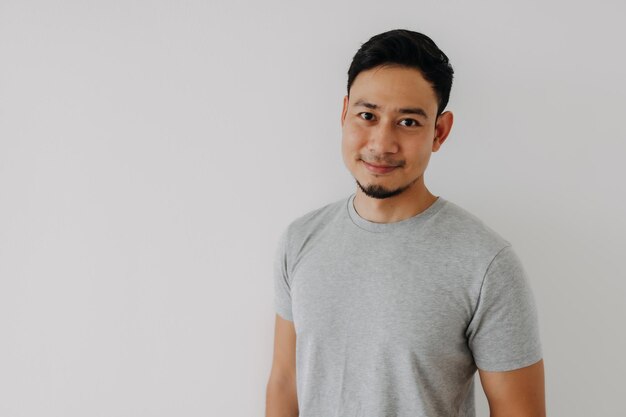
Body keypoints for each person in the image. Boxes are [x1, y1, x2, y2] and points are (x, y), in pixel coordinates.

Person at [265, 29, 545, 417]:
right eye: (367, 115)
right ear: (344, 113)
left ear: (440, 131)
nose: (381, 144)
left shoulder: (486, 264)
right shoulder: (300, 241)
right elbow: (284, 382)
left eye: (409, 122)